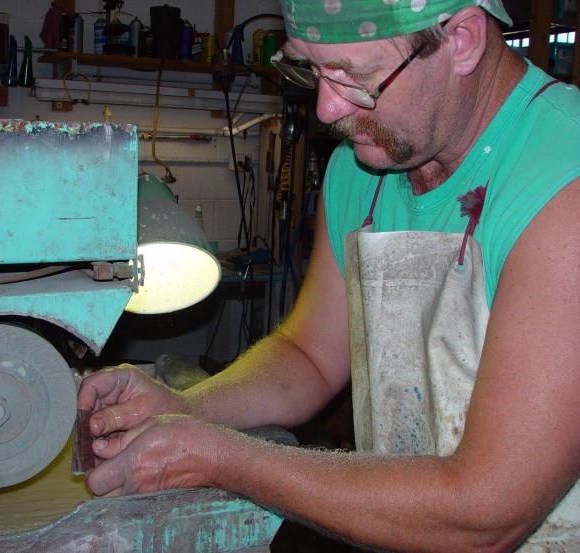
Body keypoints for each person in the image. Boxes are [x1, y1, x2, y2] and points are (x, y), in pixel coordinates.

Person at [78, 0, 580, 550]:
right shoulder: (364, 166)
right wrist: (186, 408)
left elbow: (487, 512)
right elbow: (310, 357)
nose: (326, 109)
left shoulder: (562, 177)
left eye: (357, 78)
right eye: (310, 69)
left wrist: (214, 454)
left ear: (461, 39)